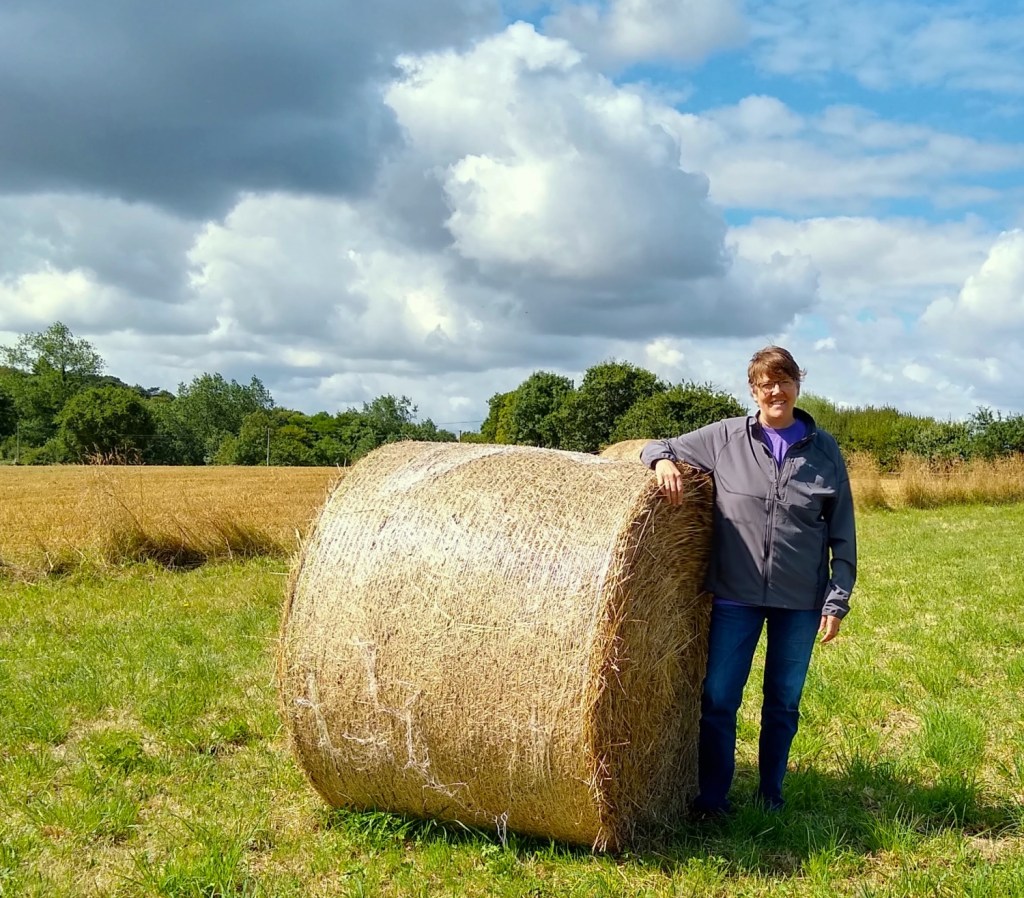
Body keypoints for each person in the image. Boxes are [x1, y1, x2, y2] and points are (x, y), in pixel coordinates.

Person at [640, 346, 856, 815]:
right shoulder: (726, 437)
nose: (776, 391)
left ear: (798, 385)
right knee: (719, 697)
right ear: (753, 391)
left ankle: (770, 795)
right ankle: (712, 798)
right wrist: (662, 463)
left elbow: (843, 532)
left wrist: (836, 599)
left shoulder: (824, 450)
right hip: (736, 596)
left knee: (783, 700)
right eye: (766, 384)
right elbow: (656, 446)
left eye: (784, 381)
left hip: (800, 600)